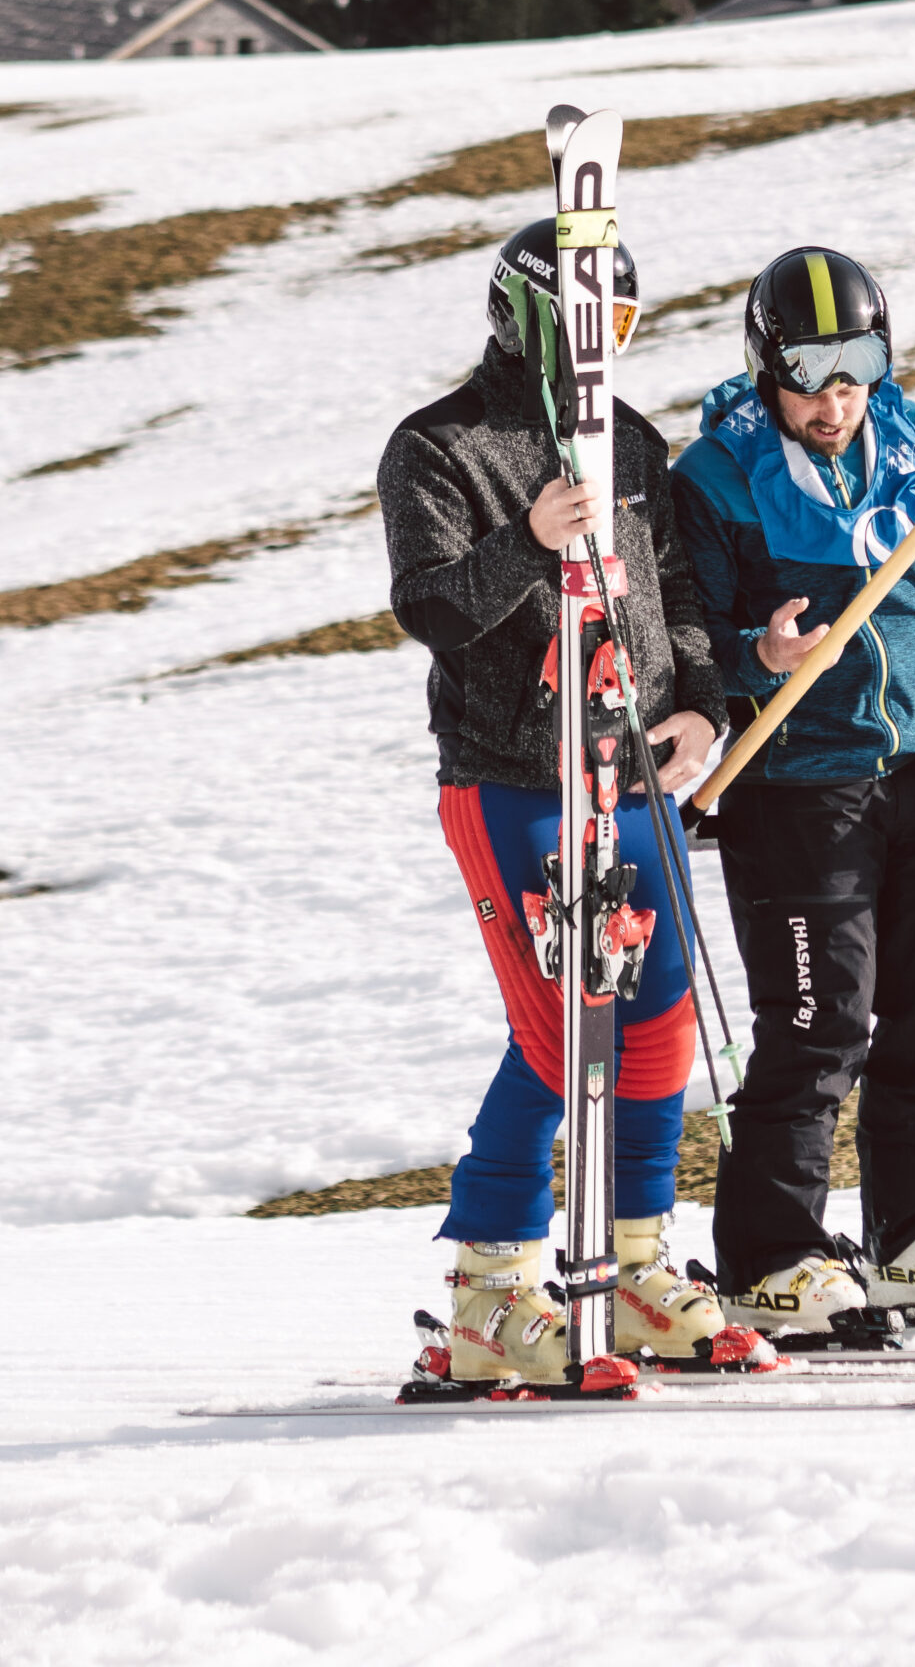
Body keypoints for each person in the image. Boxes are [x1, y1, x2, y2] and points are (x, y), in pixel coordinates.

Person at [670, 249, 915, 1333]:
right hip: (797, 784)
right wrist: (756, 658)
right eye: (809, 378)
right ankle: (774, 1255)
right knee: (817, 1023)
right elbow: (683, 635)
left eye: (857, 374)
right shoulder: (717, 475)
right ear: (766, 367)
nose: (834, 403)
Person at [377, 221, 729, 1382]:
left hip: (631, 765)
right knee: (560, 1021)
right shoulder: (439, 445)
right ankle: (492, 1286)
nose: (604, 345)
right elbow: (429, 607)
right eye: (586, 321)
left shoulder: (629, 438)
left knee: (658, 1009)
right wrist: (528, 543)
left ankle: (632, 1265)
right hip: (512, 775)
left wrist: (701, 703)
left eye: (619, 324)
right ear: (525, 315)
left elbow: (673, 586)